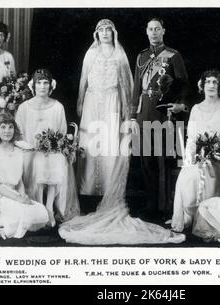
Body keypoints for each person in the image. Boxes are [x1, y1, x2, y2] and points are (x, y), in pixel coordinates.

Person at [58, 132, 185, 245]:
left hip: (139, 127)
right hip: (130, 128)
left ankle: (155, 208)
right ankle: (144, 206)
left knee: (143, 164)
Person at [130, 17, 189, 216]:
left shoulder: (173, 56)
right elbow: (137, 88)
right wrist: (132, 116)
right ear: (146, 32)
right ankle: (151, 204)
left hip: (164, 113)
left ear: (163, 31)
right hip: (144, 112)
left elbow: (183, 84)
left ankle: (164, 207)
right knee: (146, 161)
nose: (154, 32)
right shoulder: (141, 56)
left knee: (163, 160)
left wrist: (180, 104)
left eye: (157, 29)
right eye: (150, 29)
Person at [170, 69, 220, 232]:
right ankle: (190, 215)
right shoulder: (195, 108)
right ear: (202, 86)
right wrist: (189, 161)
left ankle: (208, 220)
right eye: (207, 82)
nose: (211, 85)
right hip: (199, 159)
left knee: (202, 174)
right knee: (187, 175)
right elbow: (192, 139)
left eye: (215, 82)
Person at [15, 69, 80, 227]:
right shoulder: (24, 107)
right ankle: (37, 208)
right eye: (39, 83)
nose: (43, 86)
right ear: (33, 86)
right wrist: (30, 146)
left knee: (57, 160)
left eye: (46, 83)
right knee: (38, 162)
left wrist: (54, 145)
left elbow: (62, 132)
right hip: (30, 150)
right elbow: (17, 135)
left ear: (51, 86)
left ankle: (50, 206)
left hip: (52, 151)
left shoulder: (57, 106)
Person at [76, 19, 134, 196]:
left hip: (112, 101)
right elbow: (83, 81)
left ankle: (109, 188)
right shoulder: (91, 54)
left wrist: (127, 108)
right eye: (101, 30)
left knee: (110, 142)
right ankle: (87, 189)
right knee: (90, 141)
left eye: (108, 30)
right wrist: (80, 102)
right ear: (97, 34)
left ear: (113, 33)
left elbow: (125, 84)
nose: (105, 33)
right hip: (92, 101)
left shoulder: (119, 55)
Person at [0, 113, 48, 239]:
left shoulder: (18, 151)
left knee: (41, 212)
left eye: (10, 127)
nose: (7, 131)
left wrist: (22, 196)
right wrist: (17, 199)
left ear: (14, 129)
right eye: (3, 127)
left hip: (13, 192)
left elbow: (19, 181)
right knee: (22, 213)